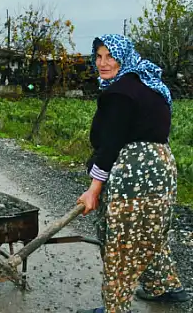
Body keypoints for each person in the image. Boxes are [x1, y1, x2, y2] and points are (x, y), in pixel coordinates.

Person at [76, 34, 191, 313]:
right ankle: (164, 286)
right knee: (151, 231)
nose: (103, 63)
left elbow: (111, 144)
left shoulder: (119, 93)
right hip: (162, 168)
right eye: (99, 57)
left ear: (122, 56)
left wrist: (93, 189)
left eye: (109, 56)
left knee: (121, 241)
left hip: (133, 173)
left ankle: (115, 309)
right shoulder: (150, 84)